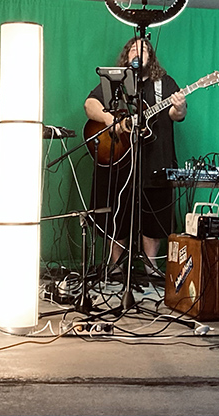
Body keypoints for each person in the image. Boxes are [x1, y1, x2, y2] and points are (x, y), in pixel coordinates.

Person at [84, 37, 187, 275]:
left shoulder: (164, 83)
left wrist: (180, 106)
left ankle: (151, 265)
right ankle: (116, 266)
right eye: (132, 48)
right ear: (126, 55)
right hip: (119, 159)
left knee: (155, 211)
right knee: (117, 209)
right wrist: (110, 120)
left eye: (143, 48)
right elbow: (90, 105)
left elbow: (176, 115)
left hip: (155, 159)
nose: (137, 51)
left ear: (151, 56)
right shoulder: (115, 82)